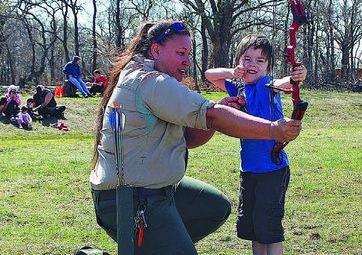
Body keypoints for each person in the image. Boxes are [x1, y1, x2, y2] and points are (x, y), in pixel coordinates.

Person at [90, 20, 302, 255]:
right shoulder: (151, 82)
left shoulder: (152, 78)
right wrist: (273, 129)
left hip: (155, 190)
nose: (186, 61)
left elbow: (190, 138)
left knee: (214, 207)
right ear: (156, 50)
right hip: (130, 199)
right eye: (180, 53)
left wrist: (218, 111)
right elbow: (213, 116)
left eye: (189, 54)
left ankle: (155, 246)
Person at [205, 34, 307, 255]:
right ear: (238, 61)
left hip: (272, 169)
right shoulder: (237, 88)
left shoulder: (265, 84)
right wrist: (233, 73)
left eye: (260, 60)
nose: (253, 64)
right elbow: (209, 75)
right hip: (249, 169)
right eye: (247, 59)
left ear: (268, 67)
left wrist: (296, 78)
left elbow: (284, 84)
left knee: (269, 228)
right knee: (254, 227)